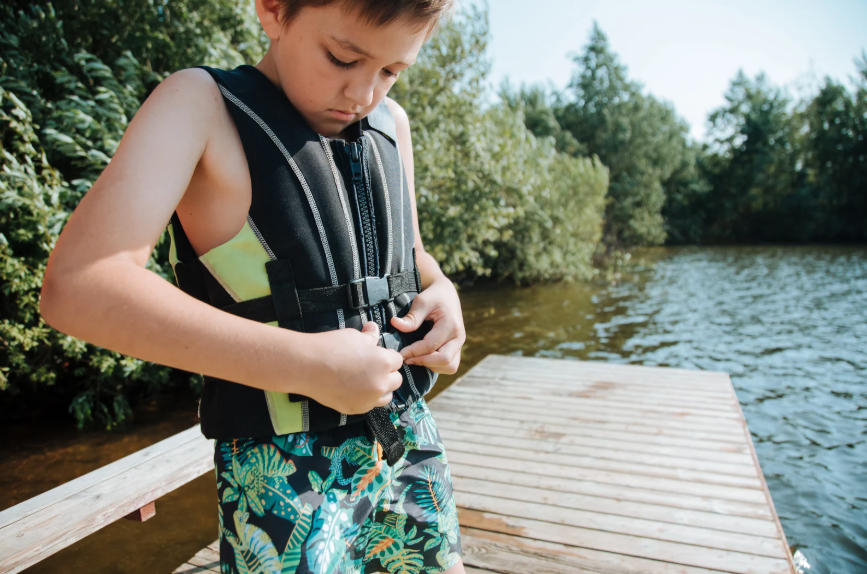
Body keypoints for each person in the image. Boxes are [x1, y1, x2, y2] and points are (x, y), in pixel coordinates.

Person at [39, 0, 467, 572]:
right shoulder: (199, 107)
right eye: (343, 57)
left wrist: (441, 289)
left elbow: (410, 257)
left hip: (409, 436)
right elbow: (78, 285)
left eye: (393, 71)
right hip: (281, 471)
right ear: (271, 9)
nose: (365, 93)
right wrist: (307, 364)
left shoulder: (394, 125)